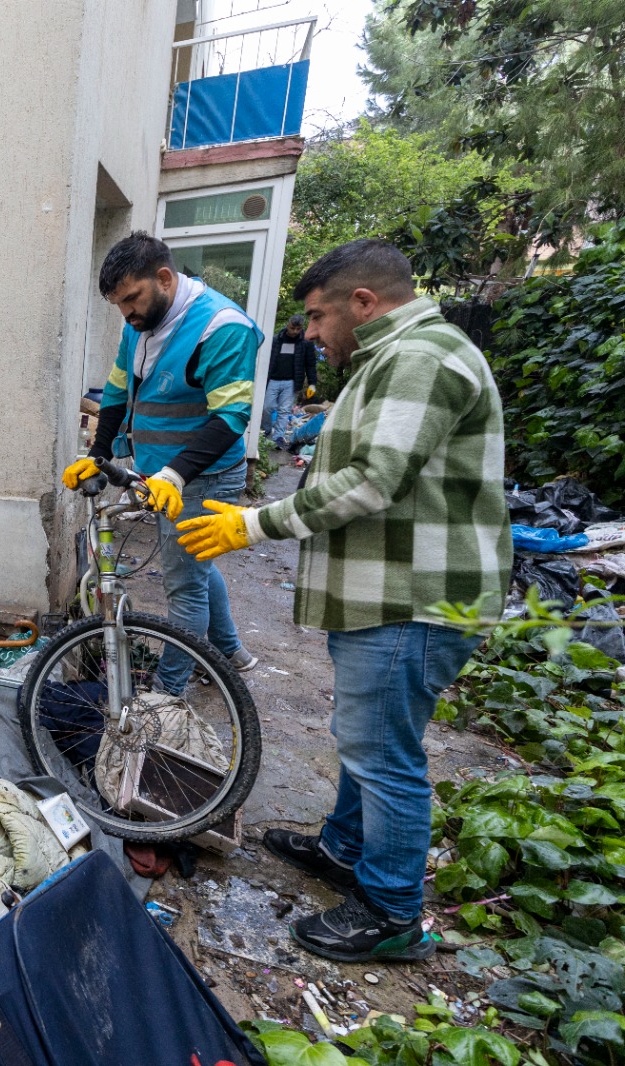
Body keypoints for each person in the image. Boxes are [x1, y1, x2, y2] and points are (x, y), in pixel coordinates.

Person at [174, 238, 512, 963]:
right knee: (366, 735)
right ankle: (344, 847)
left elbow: (373, 480)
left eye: (319, 317)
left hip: (411, 599)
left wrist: (252, 523)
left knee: (384, 753)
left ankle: (392, 912)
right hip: (384, 595)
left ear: (364, 302)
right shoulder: (388, 359)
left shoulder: (421, 358)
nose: (312, 334)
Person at [61, 232, 261, 693]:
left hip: (203, 474)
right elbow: (114, 394)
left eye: (131, 299)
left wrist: (174, 474)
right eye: (119, 304)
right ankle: (230, 652)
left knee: (184, 585)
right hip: (161, 471)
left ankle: (169, 690)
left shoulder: (221, 326)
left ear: (165, 278)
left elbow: (231, 417)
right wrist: (99, 456)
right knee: (194, 566)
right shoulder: (139, 327)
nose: (126, 314)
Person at [262, 314, 318, 436]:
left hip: (291, 382)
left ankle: (278, 438)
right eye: (292, 328)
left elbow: (310, 364)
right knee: (267, 407)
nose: (295, 331)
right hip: (273, 380)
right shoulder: (276, 340)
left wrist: (312, 383)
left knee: (284, 410)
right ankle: (267, 430)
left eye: (298, 329)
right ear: (288, 324)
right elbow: (266, 359)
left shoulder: (306, 343)